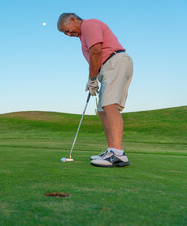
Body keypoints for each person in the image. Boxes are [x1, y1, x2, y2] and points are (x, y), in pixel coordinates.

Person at [57, 13, 133, 167]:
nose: (68, 34)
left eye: (67, 30)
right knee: (102, 110)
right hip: (108, 67)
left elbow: (96, 51)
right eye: (65, 33)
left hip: (114, 61)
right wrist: (93, 78)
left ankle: (118, 153)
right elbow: (95, 58)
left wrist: (92, 79)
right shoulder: (83, 36)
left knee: (109, 106)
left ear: (72, 19)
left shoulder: (89, 25)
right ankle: (111, 150)